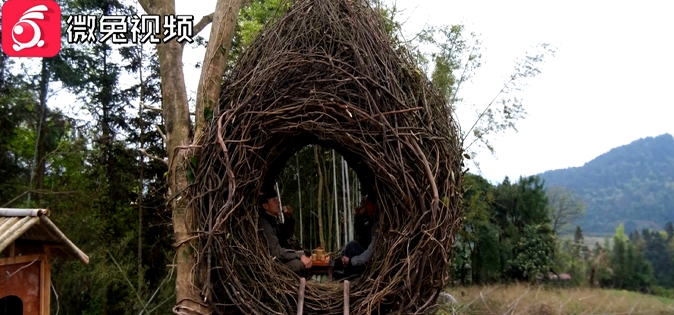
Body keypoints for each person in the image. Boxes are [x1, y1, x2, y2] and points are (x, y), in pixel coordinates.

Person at [258, 186, 312, 274]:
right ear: (265, 206)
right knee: (297, 264)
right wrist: (299, 255)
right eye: (274, 200)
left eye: (277, 199)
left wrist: (288, 218)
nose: (278, 202)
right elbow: (276, 252)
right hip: (272, 265)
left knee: (306, 256)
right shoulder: (265, 224)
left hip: (281, 259)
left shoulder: (273, 219)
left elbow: (287, 234)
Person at [336, 196, 379, 278]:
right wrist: (359, 217)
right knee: (345, 251)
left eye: (368, 204)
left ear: (375, 205)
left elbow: (371, 251)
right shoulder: (372, 220)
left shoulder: (379, 224)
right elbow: (361, 232)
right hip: (367, 258)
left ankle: (347, 276)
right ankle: (347, 273)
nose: (365, 207)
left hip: (373, 261)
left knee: (351, 247)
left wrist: (352, 261)